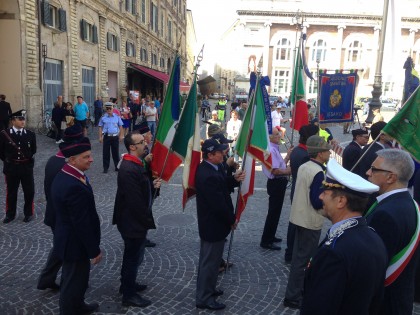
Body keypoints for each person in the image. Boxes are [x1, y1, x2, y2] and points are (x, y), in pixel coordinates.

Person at [301, 159, 387, 315]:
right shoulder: (374, 237)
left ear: (341, 201)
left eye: (325, 193)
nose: (320, 197)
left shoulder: (334, 252)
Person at [365, 149, 420, 315]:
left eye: (374, 169)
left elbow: (373, 269)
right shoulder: (409, 204)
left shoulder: (386, 215)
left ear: (391, 177)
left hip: (384, 304)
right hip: (399, 298)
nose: (368, 173)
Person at [52, 135, 102, 315]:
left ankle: (79, 305)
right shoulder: (72, 184)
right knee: (72, 282)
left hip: (70, 239)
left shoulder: (69, 173)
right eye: (86, 157)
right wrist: (93, 250)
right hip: (74, 243)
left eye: (90, 155)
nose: (91, 159)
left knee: (78, 280)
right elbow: (81, 223)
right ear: (72, 160)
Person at [195, 138, 245, 311]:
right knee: (209, 263)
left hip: (214, 224)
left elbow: (221, 184)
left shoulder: (211, 168)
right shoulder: (207, 174)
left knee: (213, 261)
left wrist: (234, 179)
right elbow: (218, 204)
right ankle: (204, 298)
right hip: (212, 225)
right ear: (210, 155)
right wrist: (231, 220)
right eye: (220, 152)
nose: (224, 154)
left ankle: (209, 289)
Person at [113, 131, 162, 308]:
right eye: (141, 142)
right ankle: (128, 294)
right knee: (132, 258)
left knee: (132, 257)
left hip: (133, 221)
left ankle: (128, 285)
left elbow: (141, 189)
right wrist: (145, 222)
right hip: (132, 222)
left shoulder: (136, 164)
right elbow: (135, 202)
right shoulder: (128, 168)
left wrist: (151, 185)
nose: (145, 144)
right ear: (132, 147)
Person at [284, 135, 330, 309]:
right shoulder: (318, 172)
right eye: (326, 150)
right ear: (320, 154)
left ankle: (294, 293)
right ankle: (293, 296)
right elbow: (316, 201)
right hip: (310, 220)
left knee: (298, 258)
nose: (329, 153)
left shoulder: (305, 166)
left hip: (298, 217)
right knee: (303, 261)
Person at [37, 124, 83, 292]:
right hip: (63, 217)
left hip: (54, 213)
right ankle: (68, 287)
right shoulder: (66, 166)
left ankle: (46, 279)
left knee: (59, 246)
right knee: (67, 250)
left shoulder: (53, 159)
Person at [285, 124, 319, 263]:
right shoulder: (305, 155)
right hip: (302, 191)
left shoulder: (297, 150)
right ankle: (292, 252)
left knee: (295, 221)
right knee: (298, 223)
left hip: (297, 189)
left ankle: (290, 251)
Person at [0, 110, 37, 223]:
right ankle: (10, 214)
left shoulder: (30, 134)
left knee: (29, 191)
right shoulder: (4, 134)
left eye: (23, 119)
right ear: (13, 121)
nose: (22, 121)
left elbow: (33, 150)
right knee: (11, 192)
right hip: (12, 168)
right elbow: (1, 152)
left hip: (26, 167)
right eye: (20, 119)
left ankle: (28, 213)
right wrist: (9, 161)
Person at [260, 127, 292, 250]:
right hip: (276, 183)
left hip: (278, 183)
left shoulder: (274, 148)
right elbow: (275, 170)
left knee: (276, 212)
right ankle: (266, 240)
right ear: (270, 137)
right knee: (273, 213)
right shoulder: (271, 150)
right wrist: (289, 171)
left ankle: (271, 236)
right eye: (277, 134)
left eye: (279, 134)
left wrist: (288, 156)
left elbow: (280, 164)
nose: (279, 136)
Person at [98, 102, 124, 173]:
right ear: (106, 109)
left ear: (113, 108)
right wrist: (100, 137)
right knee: (106, 153)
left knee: (115, 152)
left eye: (110, 108)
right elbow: (100, 127)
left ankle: (117, 166)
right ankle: (105, 168)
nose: (109, 110)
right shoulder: (103, 117)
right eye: (107, 109)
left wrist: (121, 135)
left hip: (115, 137)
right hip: (107, 137)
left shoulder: (117, 117)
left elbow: (121, 126)